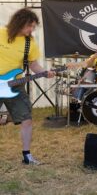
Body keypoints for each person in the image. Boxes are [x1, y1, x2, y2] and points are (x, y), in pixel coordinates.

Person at [0, 8, 55, 165]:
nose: (31, 30)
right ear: (19, 22)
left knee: (27, 119)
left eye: (33, 27)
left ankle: (27, 155)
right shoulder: (1, 33)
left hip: (15, 86)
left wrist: (45, 72)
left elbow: (33, 64)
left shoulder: (29, 42)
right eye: (29, 26)